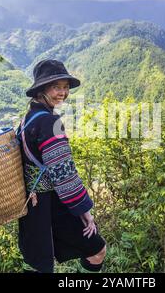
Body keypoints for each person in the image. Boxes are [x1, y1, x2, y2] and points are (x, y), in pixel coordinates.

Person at [17, 59, 107, 273]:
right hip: (51, 204)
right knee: (96, 249)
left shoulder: (28, 119)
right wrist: (84, 211)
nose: (63, 92)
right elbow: (63, 173)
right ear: (42, 89)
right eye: (57, 87)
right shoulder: (50, 122)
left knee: (39, 262)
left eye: (66, 87)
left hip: (33, 206)